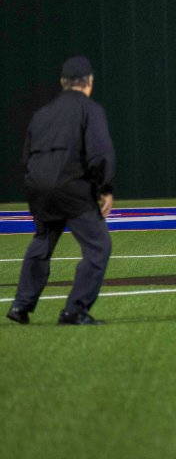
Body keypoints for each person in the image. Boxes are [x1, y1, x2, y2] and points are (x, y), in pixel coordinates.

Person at [7, 56, 116, 326]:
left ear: (62, 82)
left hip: (39, 186)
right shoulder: (89, 109)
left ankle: (21, 305)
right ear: (89, 82)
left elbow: (26, 156)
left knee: (43, 240)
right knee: (99, 247)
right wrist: (104, 188)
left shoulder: (42, 114)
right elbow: (100, 153)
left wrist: (35, 186)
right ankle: (74, 310)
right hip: (72, 186)